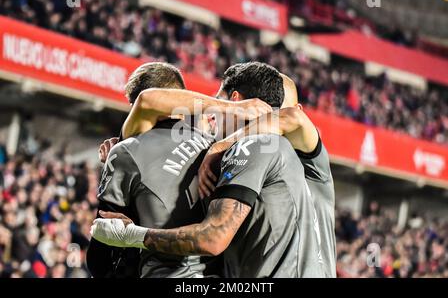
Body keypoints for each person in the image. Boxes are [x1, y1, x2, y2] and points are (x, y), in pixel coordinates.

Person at [91, 62, 329, 277]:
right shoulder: (239, 149)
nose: (213, 116)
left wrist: (133, 235)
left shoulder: (258, 148)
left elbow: (212, 238)